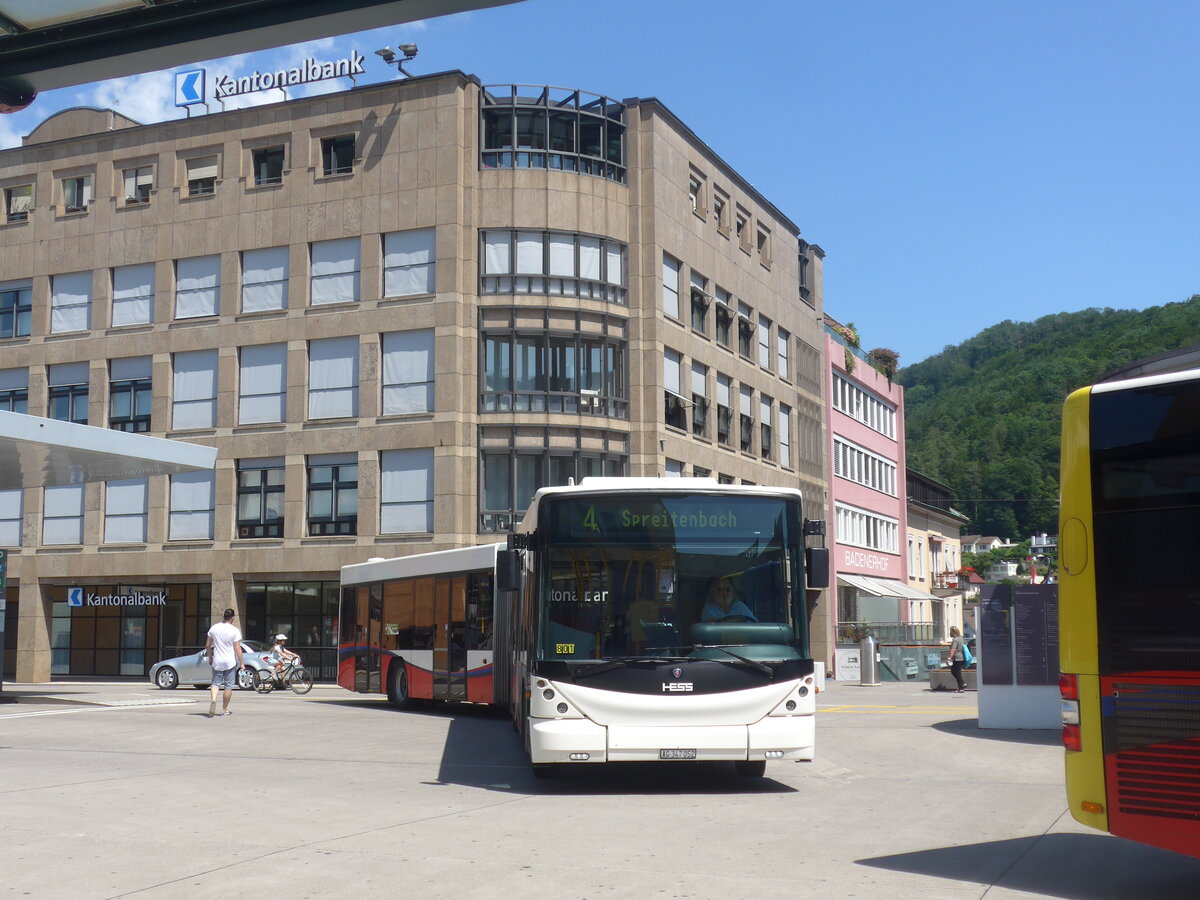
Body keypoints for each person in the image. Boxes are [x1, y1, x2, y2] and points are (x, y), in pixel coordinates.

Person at [204, 608, 245, 717]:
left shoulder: (214, 628)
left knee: (216, 683)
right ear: (232, 618)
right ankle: (224, 709)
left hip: (217, 660)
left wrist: (210, 657)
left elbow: (208, 645)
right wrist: (241, 663)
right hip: (230, 661)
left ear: (223, 616)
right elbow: (237, 648)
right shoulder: (234, 630)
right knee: (228, 686)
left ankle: (213, 700)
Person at [947, 625, 967, 693]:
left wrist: (949, 658)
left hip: (957, 658)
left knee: (955, 672)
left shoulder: (955, 640)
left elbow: (953, 650)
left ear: (953, 632)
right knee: (957, 672)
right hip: (963, 657)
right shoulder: (962, 638)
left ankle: (962, 685)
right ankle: (961, 686)